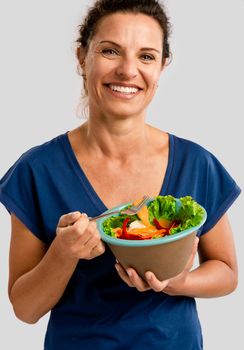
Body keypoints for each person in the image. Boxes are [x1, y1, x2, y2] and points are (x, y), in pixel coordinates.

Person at [0, 0, 241, 349]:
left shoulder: (197, 163)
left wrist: (174, 282)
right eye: (110, 50)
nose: (128, 71)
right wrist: (64, 253)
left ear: (161, 67)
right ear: (82, 57)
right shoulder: (37, 170)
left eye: (146, 56)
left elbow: (228, 273)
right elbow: (24, 309)